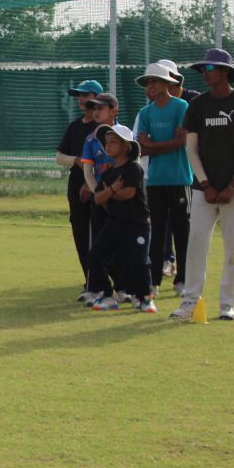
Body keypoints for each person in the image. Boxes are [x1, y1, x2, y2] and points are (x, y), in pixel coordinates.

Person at [171, 49, 234, 322]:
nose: (204, 72)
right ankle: (190, 301)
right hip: (204, 190)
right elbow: (191, 149)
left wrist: (233, 184)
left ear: (225, 72)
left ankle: (227, 305)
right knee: (196, 244)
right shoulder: (198, 105)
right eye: (202, 69)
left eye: (210, 68)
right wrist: (205, 184)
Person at [133, 62, 191, 298]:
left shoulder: (181, 106)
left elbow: (183, 142)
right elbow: (142, 149)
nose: (150, 86)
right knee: (156, 233)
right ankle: (153, 280)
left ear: (167, 83)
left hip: (180, 178)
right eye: (147, 82)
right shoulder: (145, 113)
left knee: (182, 232)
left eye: (154, 81)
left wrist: (154, 144)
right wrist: (166, 144)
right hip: (155, 181)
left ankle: (183, 280)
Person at [87, 124, 156, 313]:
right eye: (106, 143)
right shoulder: (108, 173)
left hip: (137, 224)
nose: (107, 146)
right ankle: (107, 296)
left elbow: (128, 193)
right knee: (95, 257)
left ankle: (144, 298)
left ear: (126, 146)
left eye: (113, 142)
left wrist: (109, 193)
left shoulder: (133, 168)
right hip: (115, 223)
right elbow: (98, 198)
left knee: (138, 262)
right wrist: (112, 189)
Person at [56, 78, 103, 292]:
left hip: (99, 187)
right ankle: (91, 282)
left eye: (86, 95)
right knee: (81, 235)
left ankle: (108, 283)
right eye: (79, 96)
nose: (81, 99)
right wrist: (76, 160)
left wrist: (91, 180)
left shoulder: (103, 127)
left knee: (101, 235)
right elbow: (59, 157)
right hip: (76, 185)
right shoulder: (75, 126)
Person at [77, 92, 120, 306]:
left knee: (122, 245)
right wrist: (97, 193)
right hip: (100, 199)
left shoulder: (123, 134)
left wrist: (116, 193)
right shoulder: (91, 139)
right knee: (96, 246)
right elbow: (88, 171)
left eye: (100, 108)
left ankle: (127, 287)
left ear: (114, 111)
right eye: (93, 108)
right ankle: (96, 288)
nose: (95, 112)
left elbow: (134, 166)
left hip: (121, 199)